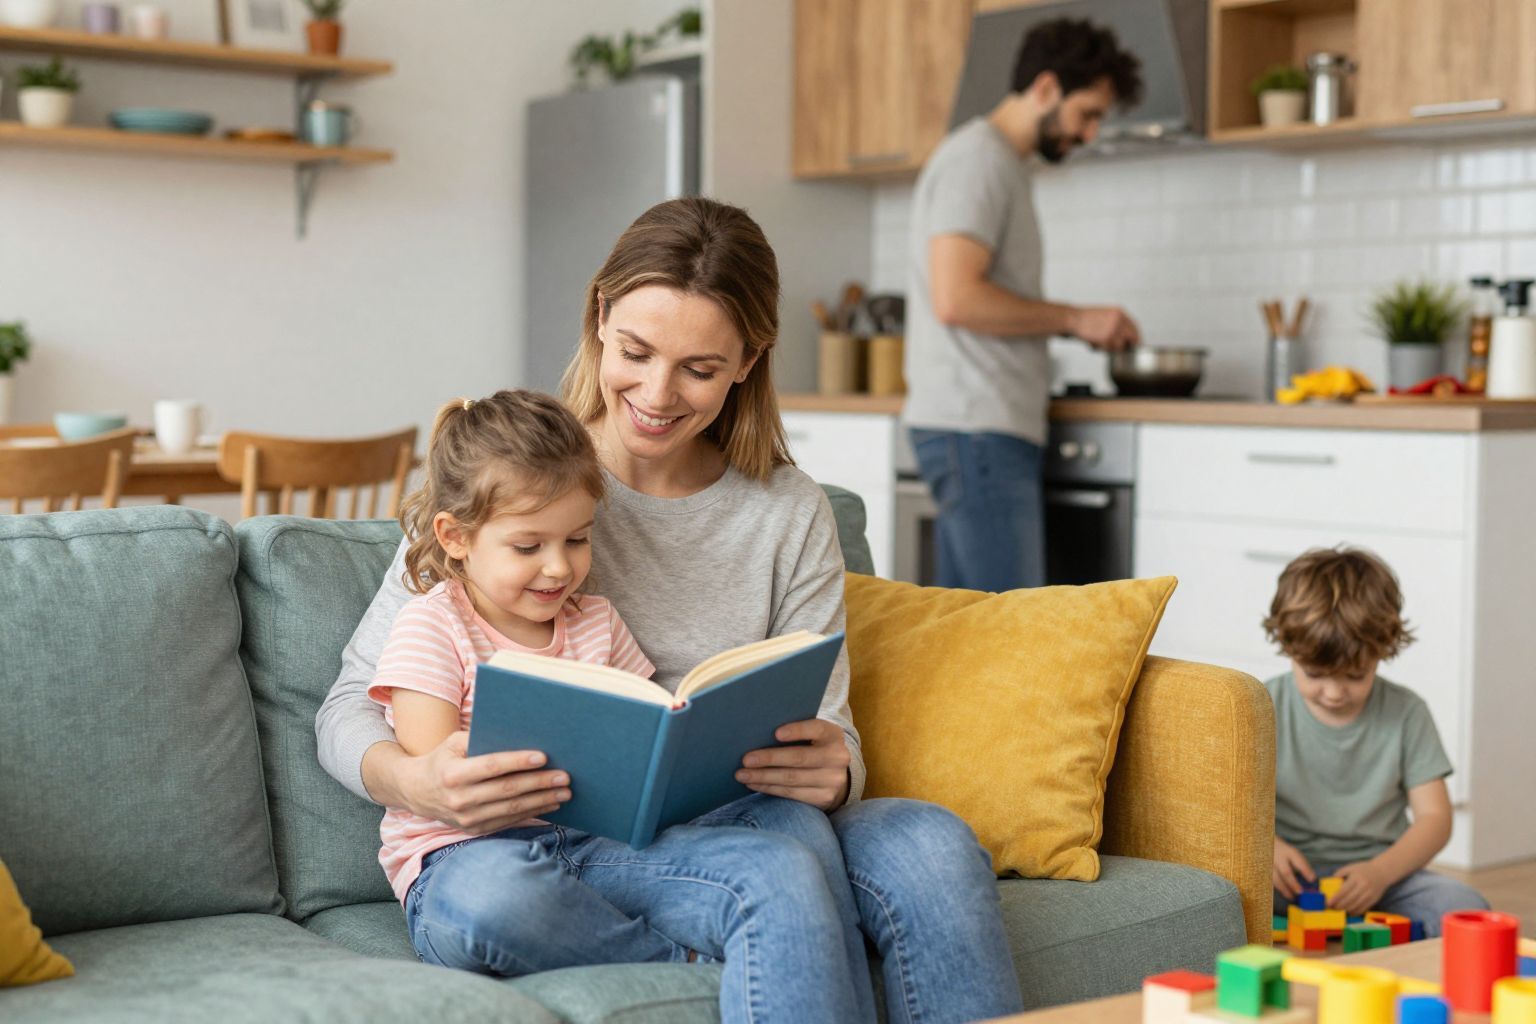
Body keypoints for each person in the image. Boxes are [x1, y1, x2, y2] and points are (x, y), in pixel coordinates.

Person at [318, 197, 1023, 1023]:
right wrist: (416, 780)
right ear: (600, 318)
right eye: (636, 351)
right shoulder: (512, 483)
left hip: (741, 810)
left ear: (748, 362)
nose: (656, 394)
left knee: (931, 848)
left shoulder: (788, 511)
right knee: (763, 869)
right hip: (573, 839)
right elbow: (347, 710)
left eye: (699, 368)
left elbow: (831, 726)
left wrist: (837, 773)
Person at [369, 388, 867, 1022]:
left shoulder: (597, 622)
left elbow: (648, 727)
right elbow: (436, 767)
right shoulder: (432, 626)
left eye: (577, 539)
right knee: (498, 897)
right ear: (456, 537)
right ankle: (679, 963)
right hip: (466, 860)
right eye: (529, 547)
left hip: (596, 846)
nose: (558, 568)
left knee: (782, 857)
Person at [905, 17, 1145, 591]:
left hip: (978, 430)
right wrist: (1075, 318)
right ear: (1045, 88)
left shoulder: (998, 165)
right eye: (1087, 113)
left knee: (973, 637)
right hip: (976, 431)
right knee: (1016, 638)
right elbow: (957, 298)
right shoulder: (979, 161)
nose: (1089, 134)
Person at [1262, 546, 1488, 935]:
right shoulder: (1261, 705)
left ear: (1383, 651)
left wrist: (1381, 873)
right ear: (1286, 645)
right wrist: (1267, 848)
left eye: (1355, 676)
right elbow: (1226, 805)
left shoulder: (1407, 712)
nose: (1334, 693)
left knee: (1465, 909)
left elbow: (1435, 818)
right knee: (1214, 896)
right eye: (1315, 674)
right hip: (1283, 876)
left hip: (1382, 878)